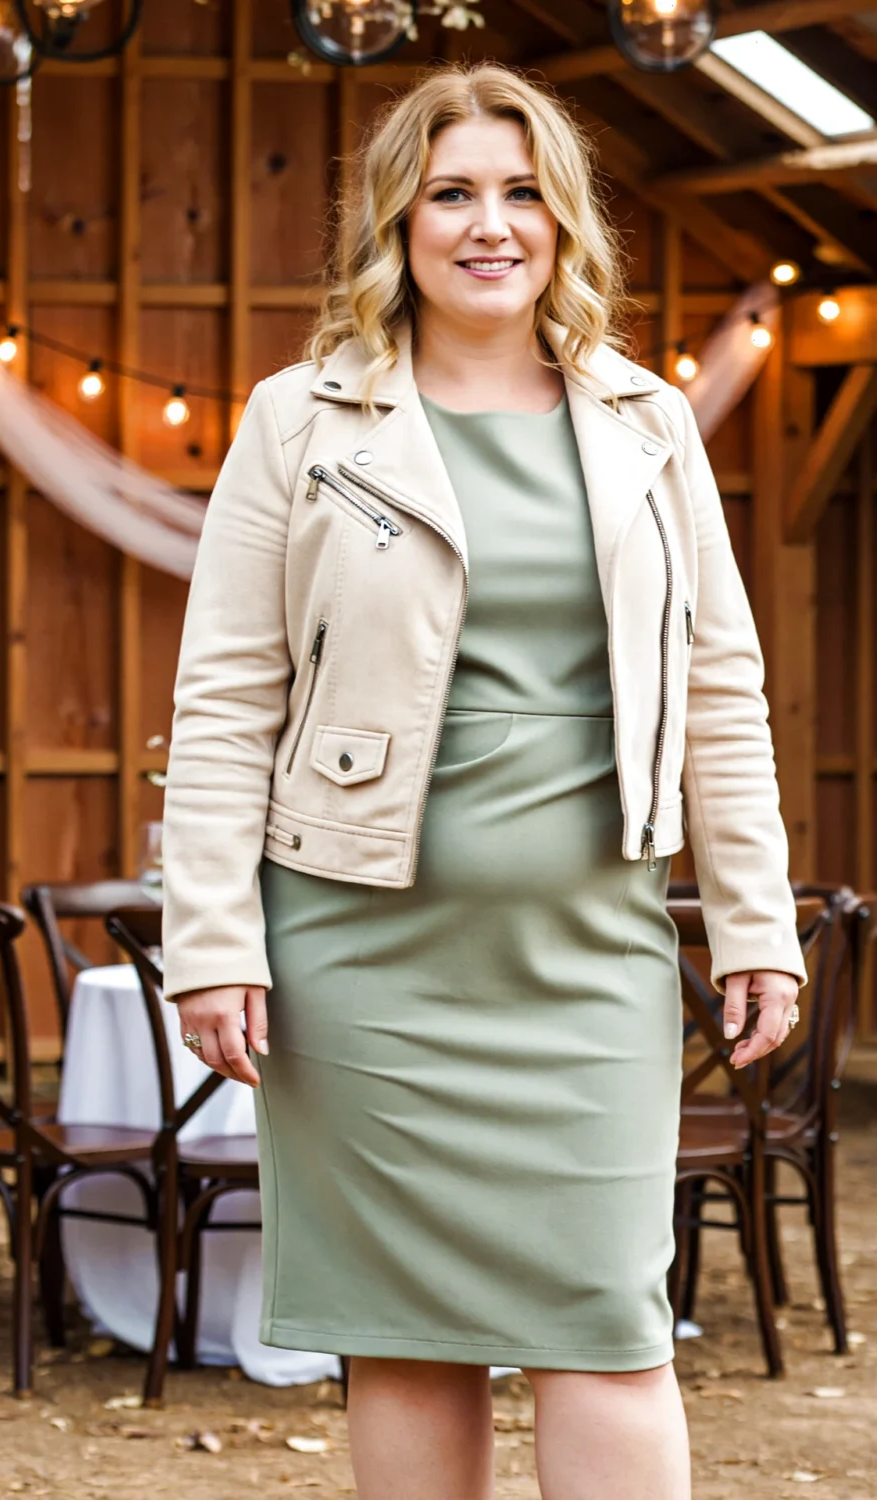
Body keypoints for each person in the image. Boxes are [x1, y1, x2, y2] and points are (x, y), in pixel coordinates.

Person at [161, 63, 807, 1500]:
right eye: (451, 192)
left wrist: (756, 922)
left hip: (591, 954)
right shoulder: (298, 420)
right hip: (362, 958)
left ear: (565, 222)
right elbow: (223, 701)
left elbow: (721, 690)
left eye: (520, 193)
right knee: (409, 1344)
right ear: (399, 220)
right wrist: (210, 942)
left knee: (609, 1333)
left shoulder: (646, 423)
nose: (488, 224)